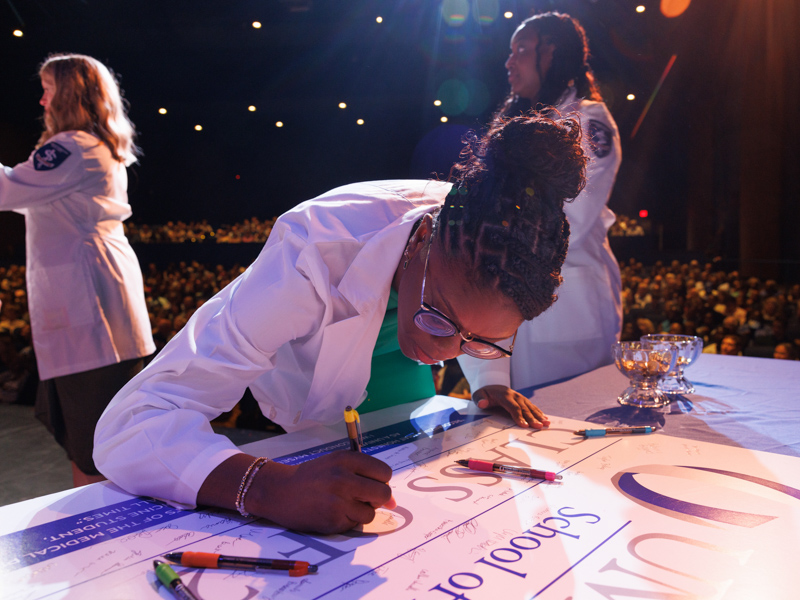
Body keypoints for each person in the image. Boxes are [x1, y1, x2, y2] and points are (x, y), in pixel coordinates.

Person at [94, 113, 587, 534]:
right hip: (313, 397)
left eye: (478, 340)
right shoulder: (312, 249)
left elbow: (477, 315)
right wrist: (267, 487)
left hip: (399, 371)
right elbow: (132, 423)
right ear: (419, 244)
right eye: (440, 318)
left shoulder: (496, 240)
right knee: (330, 482)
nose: (448, 355)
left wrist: (491, 379)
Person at [0, 54, 155, 486]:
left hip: (92, 318)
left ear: (69, 93)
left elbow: (4, 188)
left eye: (49, 89)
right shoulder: (84, 147)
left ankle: (105, 538)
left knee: (95, 446)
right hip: (90, 312)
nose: (42, 99)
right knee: (89, 441)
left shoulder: (73, 148)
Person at [460, 12, 623, 408]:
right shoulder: (521, 124)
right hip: (510, 297)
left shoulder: (587, 121)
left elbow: (571, 219)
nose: (508, 62)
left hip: (565, 301)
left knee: (571, 421)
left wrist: (490, 227)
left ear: (551, 53)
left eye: (521, 50)